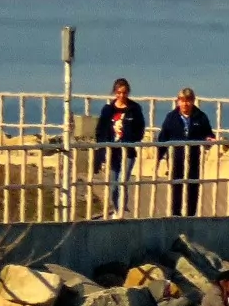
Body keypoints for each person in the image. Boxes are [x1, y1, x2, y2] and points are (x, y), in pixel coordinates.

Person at [156, 86, 217, 217]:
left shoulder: (200, 117)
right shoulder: (171, 118)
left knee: (193, 190)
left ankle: (191, 217)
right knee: (176, 190)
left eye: (188, 100)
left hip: (194, 160)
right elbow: (163, 139)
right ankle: (175, 217)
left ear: (193, 101)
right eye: (182, 100)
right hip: (175, 159)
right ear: (178, 101)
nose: (185, 104)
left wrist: (209, 140)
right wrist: (158, 158)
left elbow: (209, 134)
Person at [91, 78, 146, 218]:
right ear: (115, 92)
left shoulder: (134, 109)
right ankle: (116, 208)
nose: (122, 95)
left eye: (125, 92)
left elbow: (140, 129)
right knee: (113, 185)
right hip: (112, 153)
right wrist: (101, 150)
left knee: (122, 182)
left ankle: (121, 212)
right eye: (119, 92)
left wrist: (131, 140)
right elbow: (100, 131)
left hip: (127, 152)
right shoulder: (108, 109)